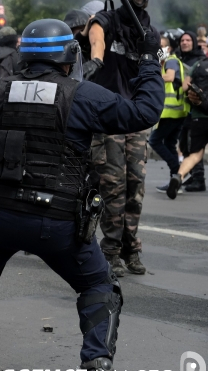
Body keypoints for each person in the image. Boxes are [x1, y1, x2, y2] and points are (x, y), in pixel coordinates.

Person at [0, 18, 163, 371]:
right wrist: (148, 61)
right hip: (58, 222)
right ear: (67, 57)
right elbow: (143, 113)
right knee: (98, 286)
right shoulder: (83, 95)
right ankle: (97, 369)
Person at [84, 0, 159, 276]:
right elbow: (97, 36)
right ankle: (111, 251)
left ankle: (131, 248)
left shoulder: (148, 30)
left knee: (135, 185)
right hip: (109, 114)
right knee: (113, 184)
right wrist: (97, 60)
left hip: (136, 116)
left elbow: (154, 70)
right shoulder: (107, 18)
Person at [149, 36, 189, 193]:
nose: (159, 49)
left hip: (172, 112)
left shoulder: (171, 60)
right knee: (169, 144)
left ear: (169, 49)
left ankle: (178, 171)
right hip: (176, 112)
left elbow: (170, 77)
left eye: (162, 46)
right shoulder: (167, 61)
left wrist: (151, 75)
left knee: (155, 140)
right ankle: (176, 178)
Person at [166, 56, 208, 199]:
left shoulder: (197, 64)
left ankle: (179, 176)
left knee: (195, 154)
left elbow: (185, 87)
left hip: (198, 116)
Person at [175, 31, 207, 192]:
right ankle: (193, 178)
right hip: (188, 112)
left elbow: (185, 86)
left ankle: (195, 178)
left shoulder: (198, 62)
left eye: (188, 40)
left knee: (194, 149)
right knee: (187, 146)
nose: (185, 43)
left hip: (197, 113)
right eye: (182, 40)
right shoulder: (180, 58)